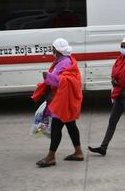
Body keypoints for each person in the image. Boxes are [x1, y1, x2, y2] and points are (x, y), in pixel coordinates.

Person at [88, 36, 125, 156]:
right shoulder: (120, 59)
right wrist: (117, 80)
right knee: (112, 121)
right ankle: (103, 148)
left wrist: (117, 81)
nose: (123, 48)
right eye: (122, 46)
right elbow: (114, 74)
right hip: (120, 94)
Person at [32, 38, 83, 168]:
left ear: (58, 50)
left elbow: (63, 81)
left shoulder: (64, 63)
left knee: (56, 127)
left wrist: (47, 77)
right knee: (71, 125)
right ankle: (78, 152)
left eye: (53, 48)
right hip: (63, 99)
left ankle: (50, 157)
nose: (52, 51)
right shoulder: (64, 60)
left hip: (62, 101)